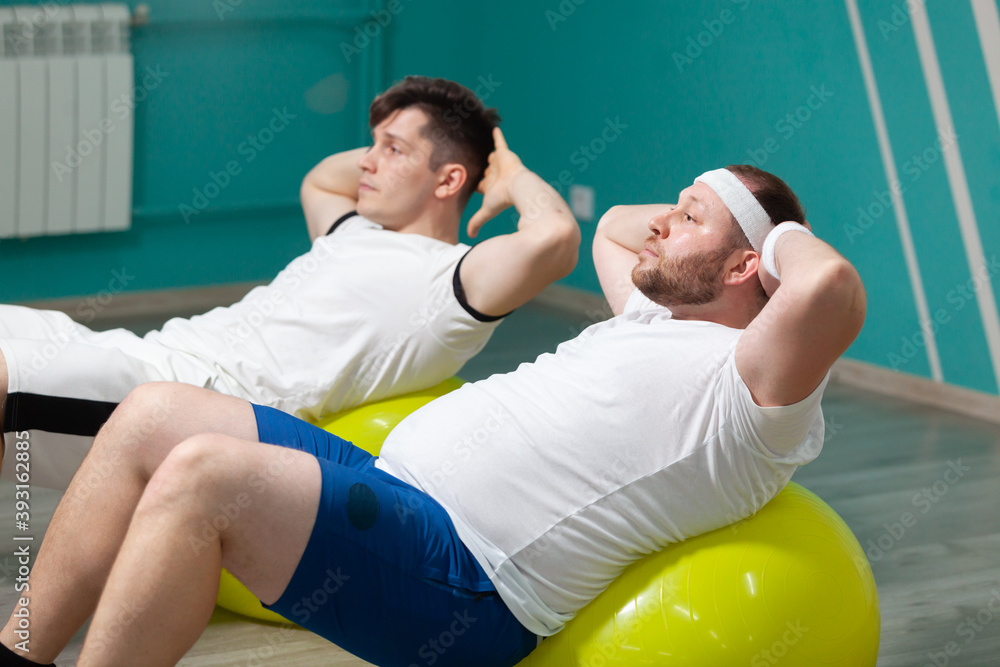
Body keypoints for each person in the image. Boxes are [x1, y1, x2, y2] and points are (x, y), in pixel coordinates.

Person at [0, 165, 866, 666]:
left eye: (689, 219)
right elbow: (612, 226)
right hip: (391, 487)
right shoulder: (652, 317)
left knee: (200, 475)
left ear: (752, 263)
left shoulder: (756, 386)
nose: (662, 226)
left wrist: (771, 227)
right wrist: (701, 207)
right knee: (156, 412)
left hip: (468, 580)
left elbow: (827, 286)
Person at [0, 75, 581, 489]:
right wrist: (397, 141)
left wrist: (509, 172)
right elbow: (319, 181)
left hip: (193, 398)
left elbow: (554, 239)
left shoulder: (451, 282)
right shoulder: (355, 229)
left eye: (393, 150)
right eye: (372, 144)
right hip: (147, 352)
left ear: (450, 178)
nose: (367, 163)